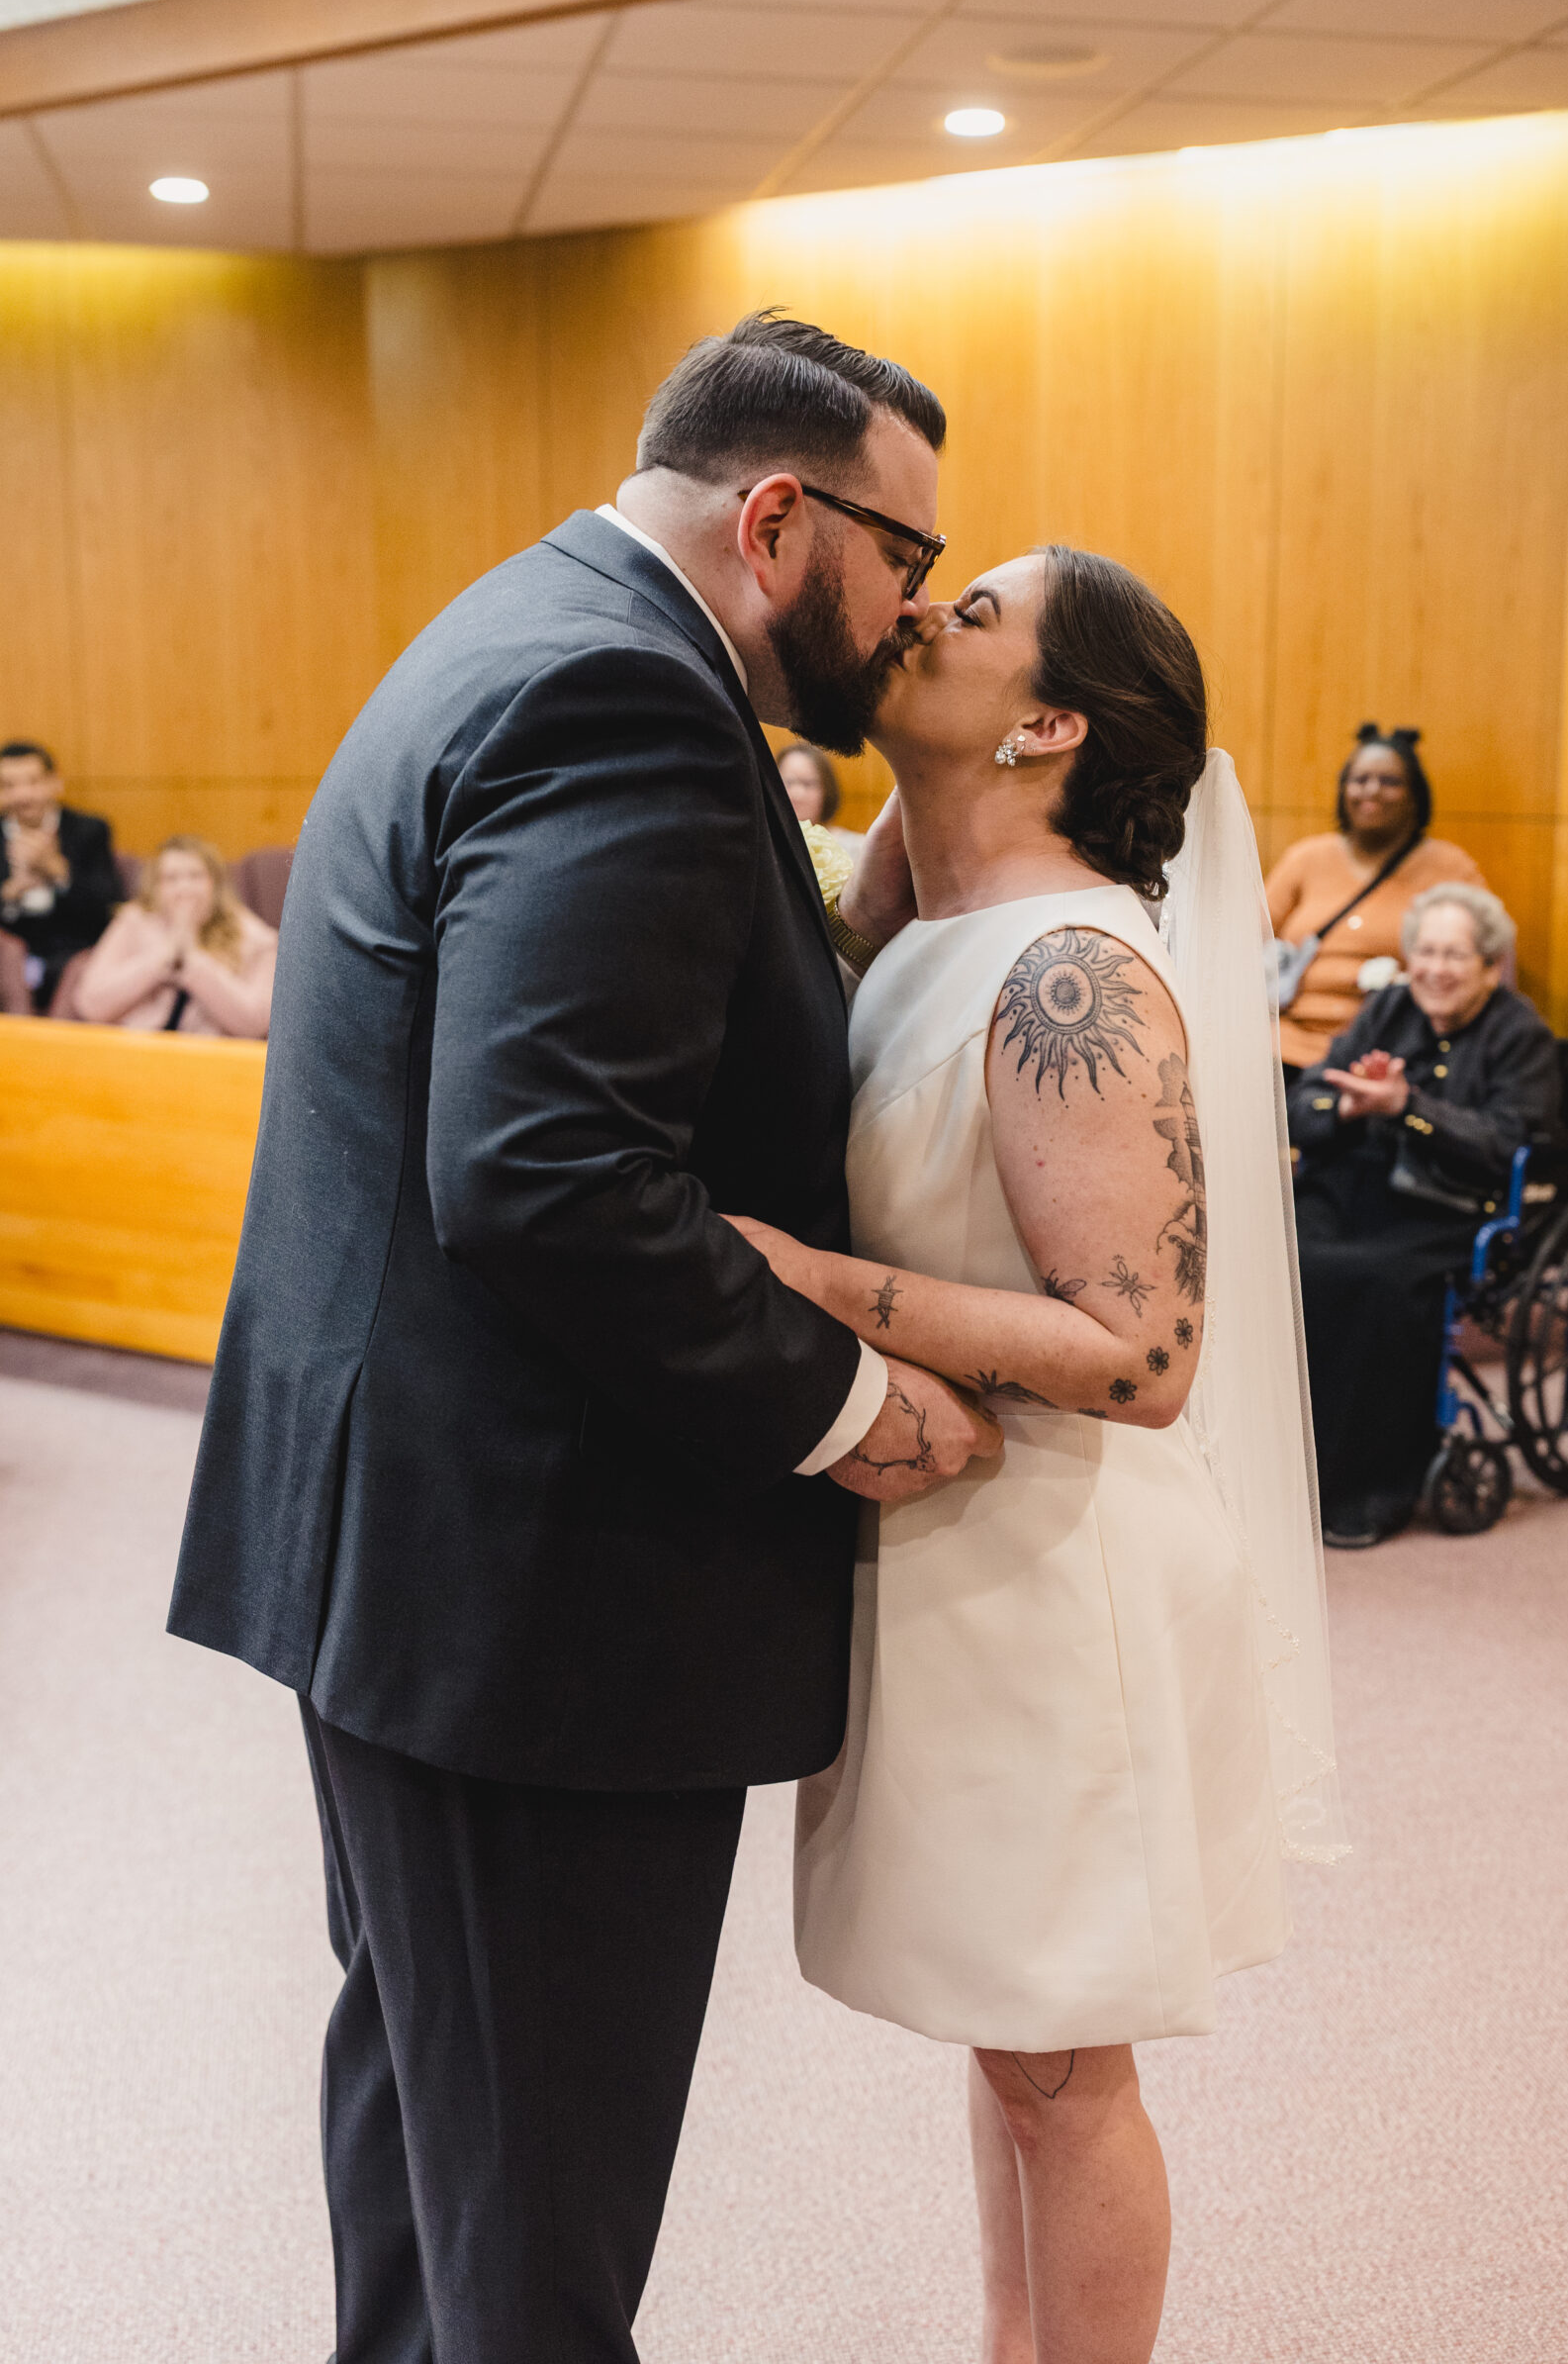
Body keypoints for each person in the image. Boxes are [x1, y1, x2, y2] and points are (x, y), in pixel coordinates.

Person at [167, 313, 1001, 2364]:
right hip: (536, 1598)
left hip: (420, 1548)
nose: (911, 607)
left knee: (438, 2135)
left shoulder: (530, 623)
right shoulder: (627, 697)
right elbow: (546, 1167)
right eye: (909, 550)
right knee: (535, 2226)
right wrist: (837, 1396)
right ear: (779, 516)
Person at [728, 546, 1342, 2364]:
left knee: (1067, 2069)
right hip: (961, 1557)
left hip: (1055, 1579)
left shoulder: (1071, 964)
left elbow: (1140, 1352)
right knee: (1018, 2041)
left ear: (1054, 722)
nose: (919, 615)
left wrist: (808, 1281)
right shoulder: (929, 936)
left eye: (973, 613)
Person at [1288, 883, 1559, 1551]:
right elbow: (1304, 1101)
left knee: (1365, 1283)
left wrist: (1409, 1107)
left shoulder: (1517, 1032)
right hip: (1351, 1189)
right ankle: (1275, 1469)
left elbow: (1503, 1143)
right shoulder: (1386, 1010)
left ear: (1488, 964)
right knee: (1271, 1246)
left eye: (1455, 955)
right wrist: (1348, 1108)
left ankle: (1358, 1487)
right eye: (1426, 952)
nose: (1436, 968)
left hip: (1445, 1211)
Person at [1266, 723, 1485, 1079]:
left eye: (1390, 782)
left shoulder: (1450, 868)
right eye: (1360, 779)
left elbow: (1486, 962)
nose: (1372, 790)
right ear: (1343, 790)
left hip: (1388, 1053)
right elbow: (1246, 940)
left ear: (1415, 795)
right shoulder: (1306, 858)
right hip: (1282, 1046)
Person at [70, 836, 276, 1037]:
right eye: (171, 878)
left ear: (216, 884)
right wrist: (163, 957)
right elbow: (91, 1005)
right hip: (136, 1053)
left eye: (195, 876)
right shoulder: (133, 922)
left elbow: (255, 1023)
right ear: (155, 888)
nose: (184, 889)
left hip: (212, 1060)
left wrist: (193, 961)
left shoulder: (254, 937)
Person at [0, 738, 125, 1012]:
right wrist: (10, 893)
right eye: (8, 786)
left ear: (54, 783)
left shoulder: (88, 830)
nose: (22, 795)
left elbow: (107, 905)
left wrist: (57, 871)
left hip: (71, 951)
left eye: (33, 782)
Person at [778, 739, 864, 855]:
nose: (797, 794)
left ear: (827, 790)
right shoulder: (761, 846)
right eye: (788, 782)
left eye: (808, 783)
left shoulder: (857, 848)